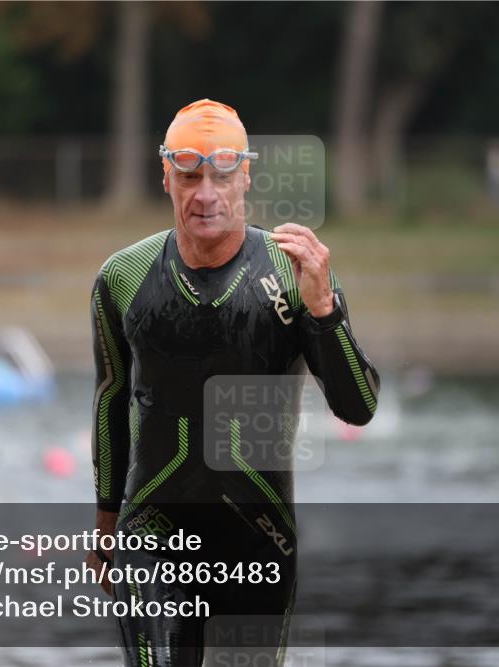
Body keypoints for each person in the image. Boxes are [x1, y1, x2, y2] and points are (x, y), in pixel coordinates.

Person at [86, 98, 379, 666]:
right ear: (165, 174)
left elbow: (359, 405)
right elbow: (111, 401)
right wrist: (104, 522)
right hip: (151, 530)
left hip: (259, 537)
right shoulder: (122, 277)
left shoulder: (295, 270)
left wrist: (324, 311)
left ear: (246, 175)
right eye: (190, 176)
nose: (205, 195)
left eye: (221, 176)